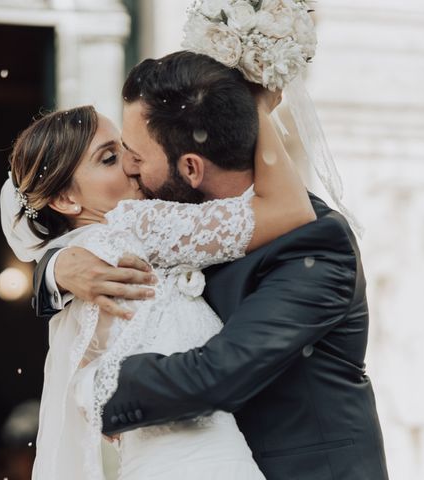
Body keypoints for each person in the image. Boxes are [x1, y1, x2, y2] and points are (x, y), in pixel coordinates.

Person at [34, 50, 389, 479]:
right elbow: (93, 238)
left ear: (190, 167)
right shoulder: (175, 220)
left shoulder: (314, 243)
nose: (129, 166)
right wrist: (57, 266)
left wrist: (93, 389)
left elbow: (216, 375)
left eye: (135, 155)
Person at [1, 66, 315, 478]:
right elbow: (290, 210)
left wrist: (55, 268)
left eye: (127, 147)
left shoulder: (77, 259)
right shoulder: (134, 227)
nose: (133, 163)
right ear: (64, 198)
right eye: (109, 158)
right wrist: (255, 105)